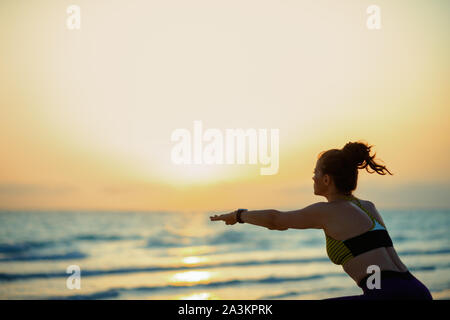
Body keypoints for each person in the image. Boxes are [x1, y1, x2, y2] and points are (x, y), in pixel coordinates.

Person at [209, 141, 432, 300]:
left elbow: (276, 220)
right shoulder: (368, 207)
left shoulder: (330, 210)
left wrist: (239, 215)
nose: (312, 177)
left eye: (315, 172)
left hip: (388, 295)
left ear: (326, 179)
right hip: (417, 290)